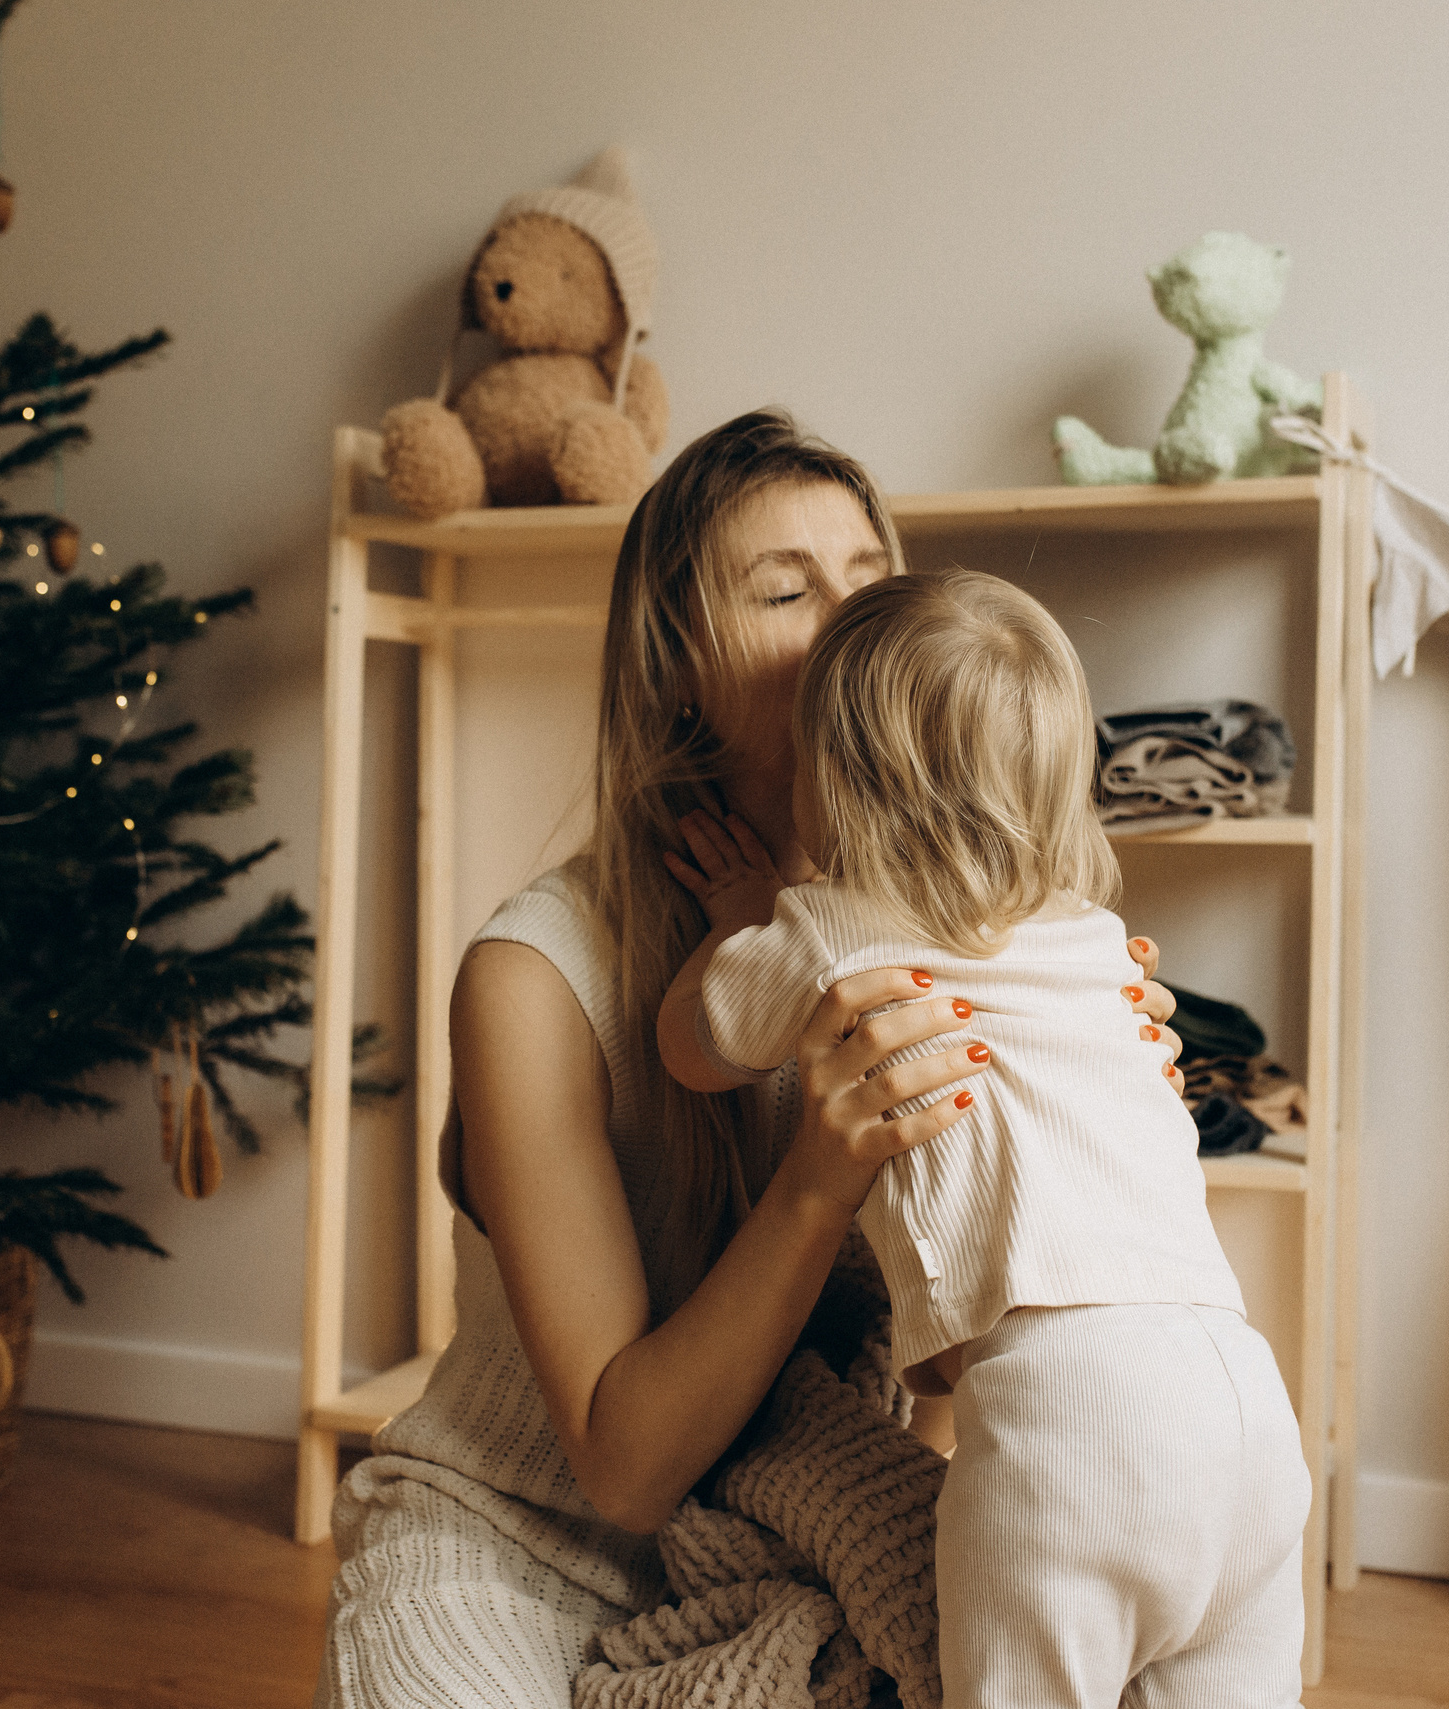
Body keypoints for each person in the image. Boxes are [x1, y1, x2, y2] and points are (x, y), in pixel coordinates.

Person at [314, 412, 1184, 1708]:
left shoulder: (967, 943)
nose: (845, 614)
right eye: (784, 587)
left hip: (796, 1533)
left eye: (867, 575)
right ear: (678, 665)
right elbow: (623, 1471)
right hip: (522, 1539)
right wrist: (818, 1179)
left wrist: (1083, 1139)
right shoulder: (535, 979)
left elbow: (950, 1381)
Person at [657, 567, 1306, 1709]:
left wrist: (738, 920)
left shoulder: (831, 932)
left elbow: (691, 1048)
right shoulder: (1100, 941)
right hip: (1243, 1403)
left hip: (1075, 1414)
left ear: (833, 785)